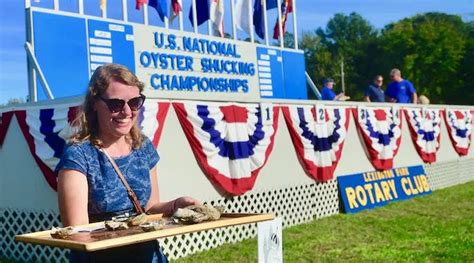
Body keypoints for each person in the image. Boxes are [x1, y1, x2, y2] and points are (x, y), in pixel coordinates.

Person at [55, 64, 199, 262]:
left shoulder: (143, 146)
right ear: (95, 103)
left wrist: (176, 205)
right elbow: (77, 231)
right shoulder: (78, 156)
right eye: (115, 104)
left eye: (134, 102)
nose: (126, 111)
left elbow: (149, 208)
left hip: (148, 256)